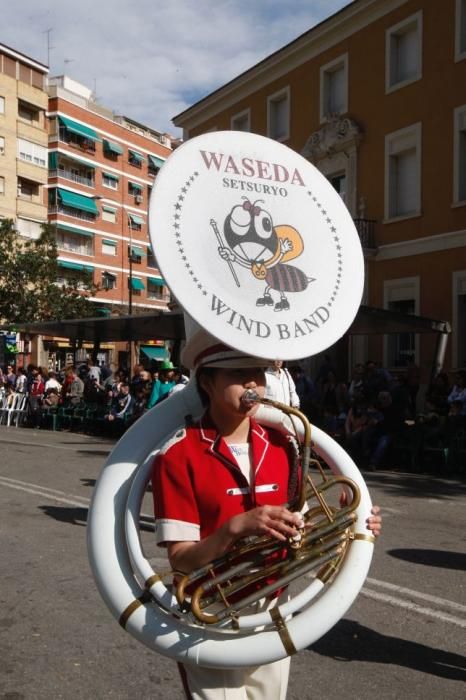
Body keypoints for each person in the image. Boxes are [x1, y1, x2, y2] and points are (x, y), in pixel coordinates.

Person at [152, 330, 382, 700]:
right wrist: (234, 529)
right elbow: (180, 560)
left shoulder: (281, 444)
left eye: (257, 372)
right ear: (206, 382)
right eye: (236, 374)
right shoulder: (177, 455)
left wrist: (352, 525)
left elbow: (301, 530)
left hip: (272, 606)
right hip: (210, 608)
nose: (252, 384)